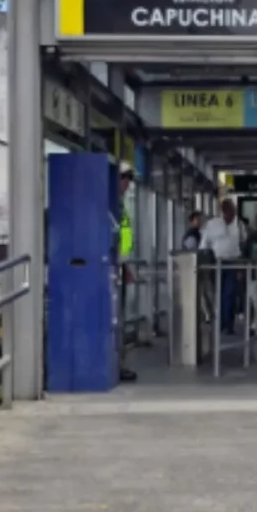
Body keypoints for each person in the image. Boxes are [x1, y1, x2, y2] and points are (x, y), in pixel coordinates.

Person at [199, 198, 247, 335]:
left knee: (230, 293)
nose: (232, 215)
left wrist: (241, 266)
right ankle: (221, 322)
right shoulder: (213, 224)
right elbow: (204, 244)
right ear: (223, 211)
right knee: (219, 293)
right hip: (217, 262)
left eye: (233, 212)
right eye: (229, 212)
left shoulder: (239, 224)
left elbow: (243, 243)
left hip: (233, 262)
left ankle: (228, 323)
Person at [116, 162, 137, 382]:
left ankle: (119, 363)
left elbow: (125, 243)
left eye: (129, 180)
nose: (127, 184)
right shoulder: (112, 205)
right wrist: (124, 266)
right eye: (124, 179)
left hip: (119, 269)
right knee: (115, 318)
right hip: (113, 270)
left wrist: (126, 265)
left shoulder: (121, 205)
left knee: (119, 318)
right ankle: (117, 364)